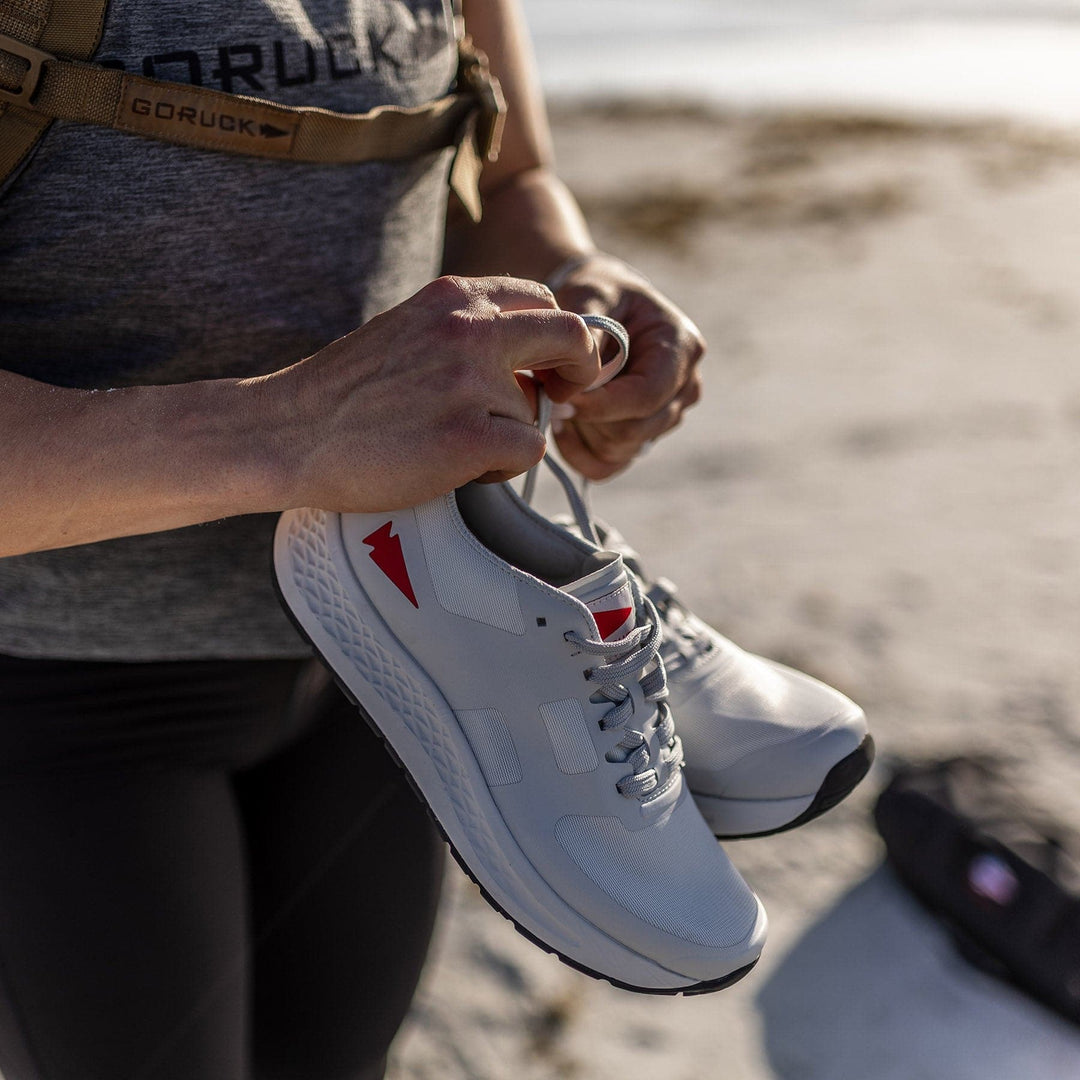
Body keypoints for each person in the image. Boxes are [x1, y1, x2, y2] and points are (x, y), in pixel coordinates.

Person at [0, 1, 705, 1077]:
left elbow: (503, 178)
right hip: (56, 706)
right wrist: (290, 428)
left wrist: (568, 283)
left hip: (391, 659)